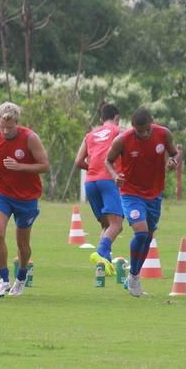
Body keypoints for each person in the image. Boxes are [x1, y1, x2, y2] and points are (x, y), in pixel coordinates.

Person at [106, 108, 178, 297]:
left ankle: (134, 276)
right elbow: (108, 160)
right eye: (140, 130)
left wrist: (172, 162)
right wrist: (115, 176)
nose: (144, 133)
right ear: (133, 127)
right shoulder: (123, 140)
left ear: (152, 123)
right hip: (130, 193)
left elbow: (174, 154)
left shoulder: (164, 133)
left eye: (146, 129)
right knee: (141, 231)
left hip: (154, 194)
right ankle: (133, 277)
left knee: (148, 236)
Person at [0, 102, 49, 297]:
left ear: (17, 123)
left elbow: (45, 166)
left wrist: (19, 166)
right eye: (2, 127)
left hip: (26, 197)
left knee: (22, 244)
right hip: (1, 192)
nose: (5, 131)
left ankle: (21, 277)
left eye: (10, 127)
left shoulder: (30, 138)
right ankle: (3, 279)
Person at [74, 104, 123, 276]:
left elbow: (79, 161)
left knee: (106, 224)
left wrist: (93, 169)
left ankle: (105, 264)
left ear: (101, 120)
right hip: (109, 180)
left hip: (91, 183)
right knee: (117, 225)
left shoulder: (90, 135)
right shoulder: (119, 131)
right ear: (117, 118)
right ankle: (101, 253)